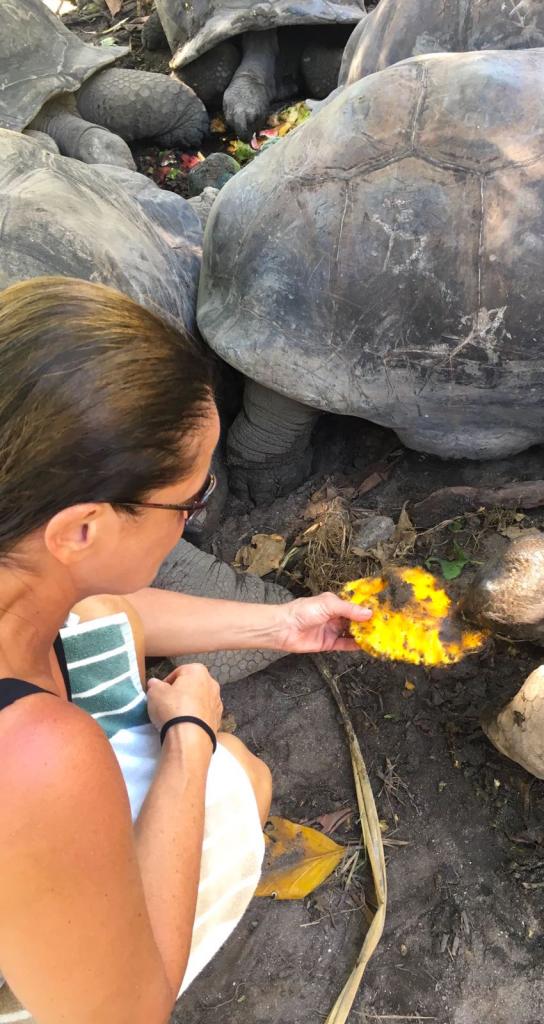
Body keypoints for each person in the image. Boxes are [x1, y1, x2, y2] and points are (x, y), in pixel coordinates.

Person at [0, 277, 372, 1024]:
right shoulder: (35, 756)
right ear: (83, 529)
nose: (192, 518)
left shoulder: (23, 559)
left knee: (107, 620)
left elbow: (94, 602)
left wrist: (283, 623)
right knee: (241, 778)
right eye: (189, 502)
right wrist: (191, 738)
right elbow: (124, 1015)